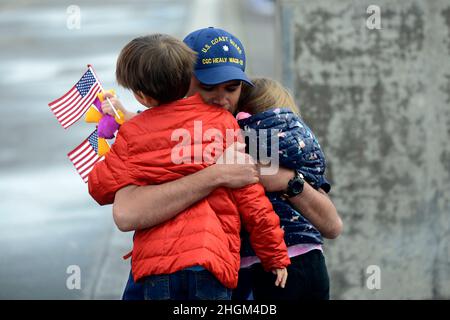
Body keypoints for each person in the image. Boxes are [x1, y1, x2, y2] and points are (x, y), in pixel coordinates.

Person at [100, 27, 342, 300]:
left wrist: (287, 181)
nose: (221, 98)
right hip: (179, 272)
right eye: (207, 86)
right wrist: (216, 175)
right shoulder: (158, 134)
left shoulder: (253, 126)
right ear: (181, 80)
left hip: (250, 275)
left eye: (232, 87)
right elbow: (126, 213)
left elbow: (332, 225)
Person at [233, 77, 335, 300]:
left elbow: (333, 224)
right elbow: (332, 222)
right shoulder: (302, 144)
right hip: (311, 258)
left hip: (264, 264)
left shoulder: (240, 141)